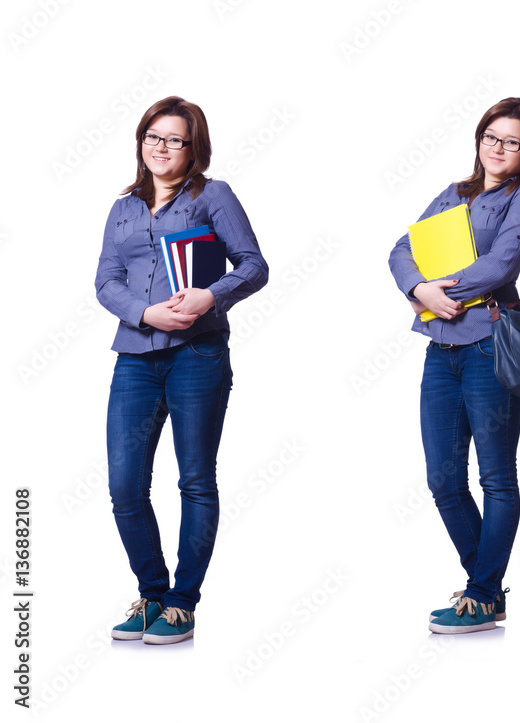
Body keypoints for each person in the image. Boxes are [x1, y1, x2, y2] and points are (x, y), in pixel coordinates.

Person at [96, 96, 268, 644]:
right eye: (152, 136)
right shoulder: (123, 207)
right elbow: (106, 280)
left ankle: (181, 604)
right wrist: (143, 312)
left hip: (198, 355)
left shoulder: (212, 195)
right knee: (125, 486)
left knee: (194, 479)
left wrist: (208, 298)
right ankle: (150, 594)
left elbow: (255, 265)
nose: (161, 147)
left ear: (194, 148)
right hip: (136, 358)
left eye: (173, 139)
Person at [388, 97, 520, 634]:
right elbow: (399, 249)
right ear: (479, 140)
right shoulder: (454, 194)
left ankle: (480, 595)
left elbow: (502, 262)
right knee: (443, 480)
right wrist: (418, 288)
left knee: (497, 477)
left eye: (512, 141)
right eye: (491, 137)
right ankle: (487, 589)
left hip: (487, 346)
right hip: (440, 350)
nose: (499, 148)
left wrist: (438, 294)